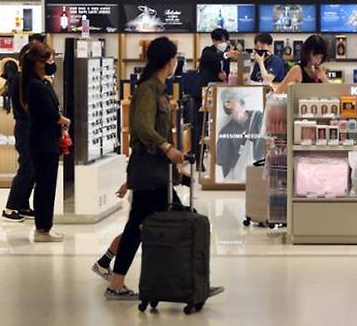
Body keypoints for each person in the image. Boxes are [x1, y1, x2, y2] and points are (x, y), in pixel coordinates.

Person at [105, 37, 184, 299]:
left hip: (151, 170)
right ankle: (182, 281)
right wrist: (167, 148)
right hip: (152, 169)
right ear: (169, 61)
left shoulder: (155, 88)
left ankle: (117, 283)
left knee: (138, 225)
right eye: (175, 58)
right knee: (176, 220)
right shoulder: (149, 89)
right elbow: (141, 126)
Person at [20, 40, 70, 242]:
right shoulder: (36, 86)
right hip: (43, 143)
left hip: (47, 141)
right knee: (45, 186)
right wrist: (63, 120)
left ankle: (44, 227)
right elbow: (48, 113)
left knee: (46, 185)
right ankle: (43, 228)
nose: (51, 62)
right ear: (39, 63)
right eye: (48, 58)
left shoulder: (40, 84)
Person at [1, 34, 47, 223]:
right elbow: (27, 108)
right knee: (27, 167)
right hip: (25, 128)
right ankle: (11, 207)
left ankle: (23, 204)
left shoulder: (26, 79)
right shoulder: (23, 80)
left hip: (30, 128)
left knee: (32, 167)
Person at [193, 28, 241, 160]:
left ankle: (219, 156)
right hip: (202, 94)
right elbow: (214, 59)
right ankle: (198, 158)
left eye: (225, 40)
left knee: (218, 124)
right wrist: (227, 55)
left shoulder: (225, 54)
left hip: (218, 93)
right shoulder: (207, 51)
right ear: (214, 40)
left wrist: (223, 76)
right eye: (221, 40)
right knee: (200, 126)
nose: (223, 43)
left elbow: (224, 70)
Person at [216, 88, 264, 183]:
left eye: (241, 99)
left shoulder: (259, 117)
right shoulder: (226, 131)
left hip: (259, 176)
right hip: (240, 180)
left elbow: (265, 148)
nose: (242, 102)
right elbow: (224, 162)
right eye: (237, 99)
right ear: (227, 104)